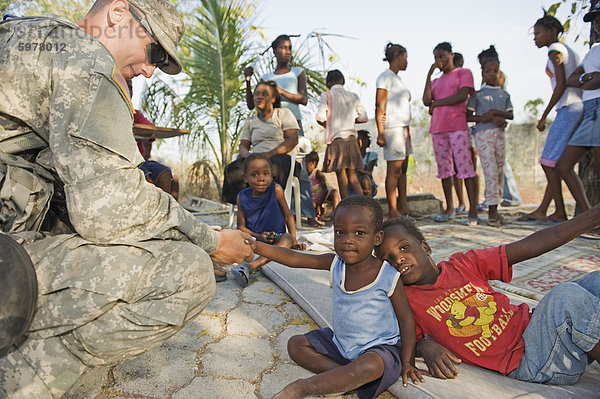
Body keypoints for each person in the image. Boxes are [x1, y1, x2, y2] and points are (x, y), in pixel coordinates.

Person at [0, 1, 253, 396]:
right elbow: (109, 211)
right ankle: (18, 382)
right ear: (118, 13)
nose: (151, 70)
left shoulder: (34, 37)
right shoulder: (86, 61)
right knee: (187, 273)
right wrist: (213, 242)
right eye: (154, 52)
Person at [375, 208, 600, 386]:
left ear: (426, 247)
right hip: (532, 362)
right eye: (388, 260)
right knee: (565, 297)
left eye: (404, 248)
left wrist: (590, 218)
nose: (398, 260)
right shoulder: (405, 300)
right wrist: (423, 347)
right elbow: (394, 339)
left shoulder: (464, 263)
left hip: (540, 332)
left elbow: (529, 246)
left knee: (595, 281)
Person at [245, 195, 427, 399]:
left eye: (359, 233)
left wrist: (408, 362)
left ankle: (302, 388)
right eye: (340, 232)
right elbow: (295, 258)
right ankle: (341, 379)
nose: (348, 240)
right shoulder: (336, 264)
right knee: (295, 345)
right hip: (341, 344)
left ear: (377, 238)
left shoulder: (388, 276)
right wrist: (258, 247)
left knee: (371, 365)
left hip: (380, 349)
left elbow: (406, 320)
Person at [244, 35, 319, 227]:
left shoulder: (297, 72)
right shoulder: (266, 78)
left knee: (298, 169)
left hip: (293, 122)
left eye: (289, 48)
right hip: (269, 123)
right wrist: (248, 80)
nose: (287, 51)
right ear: (275, 51)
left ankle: (308, 214)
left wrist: (280, 91)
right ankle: (272, 211)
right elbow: (252, 103)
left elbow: (303, 99)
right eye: (283, 48)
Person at [518, 14, 583, 224]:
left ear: (551, 32)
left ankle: (563, 212)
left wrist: (544, 115)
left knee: (547, 162)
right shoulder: (568, 50)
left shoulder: (556, 50)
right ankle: (546, 209)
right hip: (574, 106)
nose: (535, 38)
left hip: (569, 107)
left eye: (538, 33)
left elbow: (562, 84)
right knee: (553, 161)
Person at [557, 4, 600, 239]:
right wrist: (588, 77)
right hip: (590, 109)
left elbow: (587, 80)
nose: (598, 23)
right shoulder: (593, 51)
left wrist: (588, 79)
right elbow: (574, 79)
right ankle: (588, 217)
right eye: (595, 19)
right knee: (563, 164)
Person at [423, 42, 478, 225]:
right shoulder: (436, 81)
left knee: (466, 169)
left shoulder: (463, 73)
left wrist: (437, 104)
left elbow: (462, 96)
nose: (439, 61)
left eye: (442, 56)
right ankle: (449, 209)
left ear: (451, 55)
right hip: (438, 128)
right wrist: (430, 74)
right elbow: (426, 100)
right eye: (436, 58)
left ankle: (473, 212)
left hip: (457, 126)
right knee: (444, 170)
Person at [222, 81, 299, 205]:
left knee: (271, 169)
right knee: (232, 170)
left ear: (273, 98)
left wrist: (268, 155)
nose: (259, 97)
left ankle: (269, 208)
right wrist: (248, 156)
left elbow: (292, 140)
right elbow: (243, 145)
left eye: (264, 94)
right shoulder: (250, 121)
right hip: (255, 158)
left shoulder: (283, 114)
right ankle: (246, 207)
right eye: (257, 94)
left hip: (279, 157)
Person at [231, 154, 301, 287]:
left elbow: (288, 215)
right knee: (233, 237)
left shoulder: (276, 190)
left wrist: (295, 239)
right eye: (254, 175)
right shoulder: (242, 197)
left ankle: (251, 267)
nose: (261, 179)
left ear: (271, 176)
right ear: (245, 177)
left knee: (287, 238)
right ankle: (256, 260)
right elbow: (241, 227)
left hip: (276, 238)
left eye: (265, 174)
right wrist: (258, 236)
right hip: (253, 240)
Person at [467, 58, 514, 226]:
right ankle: (492, 212)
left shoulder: (504, 95)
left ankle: (496, 208)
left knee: (500, 170)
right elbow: (468, 115)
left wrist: (495, 113)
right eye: (488, 71)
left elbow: (510, 114)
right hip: (483, 134)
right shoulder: (478, 95)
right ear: (483, 73)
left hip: (500, 134)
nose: (492, 74)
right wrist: (485, 118)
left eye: (495, 71)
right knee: (491, 171)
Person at [477, 46, 522, 208]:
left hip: (496, 124)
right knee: (493, 165)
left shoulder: (498, 78)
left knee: (498, 166)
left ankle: (505, 197)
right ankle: (494, 197)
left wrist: (495, 116)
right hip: (491, 123)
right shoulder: (489, 80)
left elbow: (496, 102)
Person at [316, 69, 367, 198]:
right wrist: (351, 121)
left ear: (328, 83)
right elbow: (363, 117)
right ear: (342, 81)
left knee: (341, 177)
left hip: (336, 139)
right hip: (351, 139)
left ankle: (346, 207)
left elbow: (320, 117)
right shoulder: (353, 96)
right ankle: (364, 205)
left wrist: (328, 125)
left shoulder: (327, 95)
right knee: (353, 175)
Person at [376, 43, 413, 218]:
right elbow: (380, 105)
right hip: (393, 128)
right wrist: (381, 132)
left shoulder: (398, 79)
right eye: (404, 57)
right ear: (397, 56)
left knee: (403, 169)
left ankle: (403, 205)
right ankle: (392, 210)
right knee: (394, 170)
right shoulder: (385, 77)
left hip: (404, 128)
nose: (406, 61)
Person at [305, 151, 340, 220]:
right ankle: (315, 217)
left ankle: (337, 216)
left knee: (334, 192)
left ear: (313, 163)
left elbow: (325, 190)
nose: (304, 165)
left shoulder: (318, 173)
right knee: (311, 202)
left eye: (306, 163)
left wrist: (320, 204)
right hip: (313, 197)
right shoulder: (305, 175)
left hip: (325, 194)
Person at [357, 129, 378, 197]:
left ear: (367, 141)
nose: (359, 142)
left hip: (368, 183)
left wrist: (361, 170)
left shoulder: (371, 156)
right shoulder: (352, 157)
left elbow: (369, 172)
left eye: (361, 140)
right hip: (355, 184)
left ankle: (369, 202)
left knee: (365, 179)